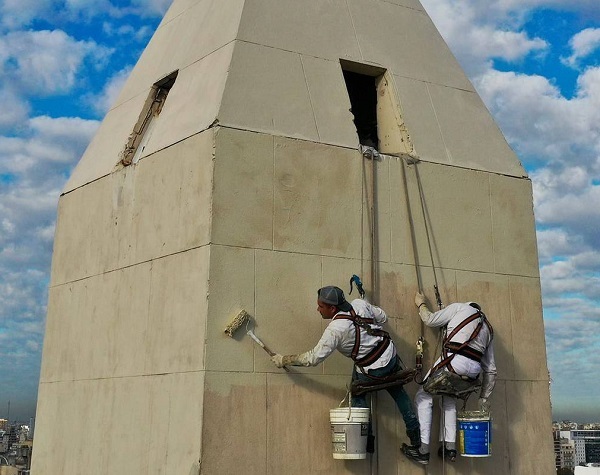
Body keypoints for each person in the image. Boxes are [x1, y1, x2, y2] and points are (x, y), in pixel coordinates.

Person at [270, 285, 421, 447]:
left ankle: (365, 441)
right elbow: (383, 317)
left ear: (332, 307)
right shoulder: (359, 304)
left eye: (321, 306)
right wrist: (367, 307)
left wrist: (284, 359)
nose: (317, 309)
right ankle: (415, 435)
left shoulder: (335, 330)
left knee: (357, 393)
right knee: (398, 390)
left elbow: (312, 359)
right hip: (389, 355)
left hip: (372, 369)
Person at [402, 292, 497, 466]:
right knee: (449, 399)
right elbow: (491, 370)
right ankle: (450, 448)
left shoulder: (459, 308)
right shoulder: (488, 328)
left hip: (453, 362)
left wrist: (421, 304)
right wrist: (484, 397)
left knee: (423, 395)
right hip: (473, 372)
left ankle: (422, 450)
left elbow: (429, 319)